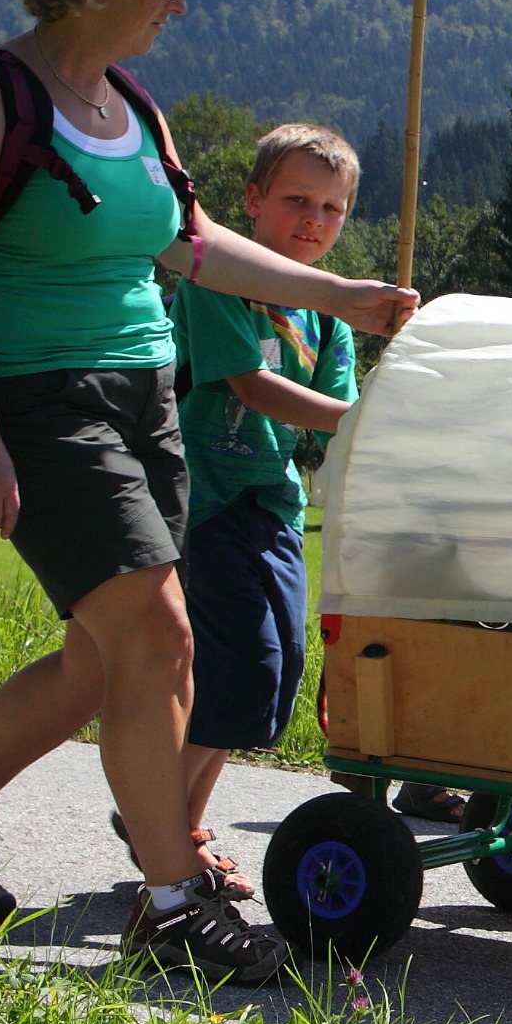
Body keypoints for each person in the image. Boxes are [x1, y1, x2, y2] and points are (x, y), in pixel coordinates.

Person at [0, 0, 419, 982]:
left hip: (142, 399)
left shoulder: (135, 106)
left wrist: (339, 295)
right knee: (162, 635)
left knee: (94, 663)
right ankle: (172, 904)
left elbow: (194, 244)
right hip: (38, 399)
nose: (179, 2)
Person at [159, 123, 363, 883]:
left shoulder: (330, 316)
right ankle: (172, 835)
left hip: (274, 507)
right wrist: (368, 420)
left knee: (275, 678)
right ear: (252, 200)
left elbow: (334, 412)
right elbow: (250, 385)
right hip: (203, 502)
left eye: (332, 208)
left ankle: (175, 819)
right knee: (242, 665)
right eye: (296, 200)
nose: (313, 219)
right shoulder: (216, 284)